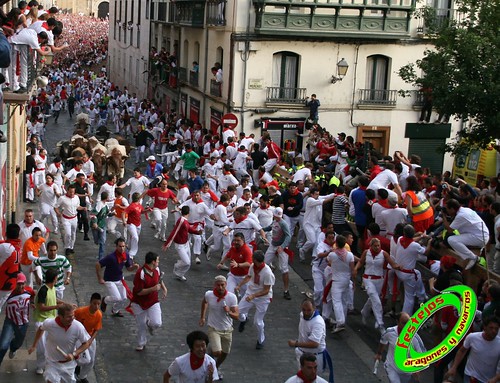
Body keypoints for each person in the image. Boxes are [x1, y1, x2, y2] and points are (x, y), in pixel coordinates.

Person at [28, 303, 91, 383]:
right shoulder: (50, 323)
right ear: (60, 316)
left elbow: (86, 343)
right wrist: (34, 345)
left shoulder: (78, 326)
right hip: (52, 363)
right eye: (69, 316)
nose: (72, 318)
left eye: (73, 315)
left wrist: (74, 354)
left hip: (69, 365)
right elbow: (41, 329)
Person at [354, 238, 399, 333]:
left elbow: (392, 264)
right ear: (371, 246)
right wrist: (356, 268)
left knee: (372, 298)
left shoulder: (384, 254)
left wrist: (399, 267)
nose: (377, 247)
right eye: (375, 246)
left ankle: (364, 312)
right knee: (376, 300)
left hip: (379, 280)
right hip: (367, 278)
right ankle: (380, 323)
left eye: (378, 245)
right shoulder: (366, 252)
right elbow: (361, 262)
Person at [235, 250, 275, 350]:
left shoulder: (267, 273)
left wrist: (254, 296)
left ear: (257, 260)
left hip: (263, 298)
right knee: (238, 312)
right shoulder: (253, 266)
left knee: (258, 322)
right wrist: (240, 285)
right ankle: (244, 319)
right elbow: (249, 277)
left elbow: (266, 290)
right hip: (250, 292)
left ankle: (260, 340)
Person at [199, 275, 239, 377]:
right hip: (214, 328)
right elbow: (204, 302)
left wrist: (229, 312)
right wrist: (203, 317)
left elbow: (237, 316)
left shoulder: (231, 297)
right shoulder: (209, 295)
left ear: (226, 285)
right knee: (217, 352)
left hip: (227, 330)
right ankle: (210, 357)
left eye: (222, 285)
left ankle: (215, 368)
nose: (220, 287)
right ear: (214, 285)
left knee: (225, 353)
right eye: (218, 285)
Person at [287, 299, 333, 383]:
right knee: (302, 378)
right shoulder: (302, 315)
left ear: (314, 309)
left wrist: (296, 344)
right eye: (304, 310)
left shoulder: (318, 323)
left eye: (309, 310)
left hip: (315, 356)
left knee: (312, 379)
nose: (306, 313)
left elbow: (314, 344)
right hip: (302, 353)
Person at [445, 316, 500, 383]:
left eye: (496, 329)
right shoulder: (472, 337)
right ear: (485, 327)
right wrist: (454, 367)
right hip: (471, 376)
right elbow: (462, 351)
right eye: (491, 328)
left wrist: (496, 378)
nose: (494, 331)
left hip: (488, 380)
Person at [131, 252, 167, 351]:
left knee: (157, 323)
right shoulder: (140, 273)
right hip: (139, 302)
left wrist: (164, 288)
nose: (158, 262)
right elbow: (139, 292)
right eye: (158, 260)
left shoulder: (157, 269)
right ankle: (141, 343)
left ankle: (150, 324)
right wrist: (153, 289)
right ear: (153, 262)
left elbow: (160, 279)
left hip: (153, 301)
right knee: (141, 324)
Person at [375, 312, 426, 383]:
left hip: (407, 373)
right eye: (404, 323)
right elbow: (383, 341)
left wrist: (418, 369)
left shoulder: (415, 338)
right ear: (397, 322)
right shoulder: (390, 332)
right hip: (391, 367)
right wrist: (379, 353)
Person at [31, 268, 64, 376]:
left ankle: (49, 364)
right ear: (55, 278)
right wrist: (56, 306)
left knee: (50, 345)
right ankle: (40, 367)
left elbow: (54, 299)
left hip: (51, 321)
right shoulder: (43, 290)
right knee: (42, 348)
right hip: (41, 322)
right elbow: (41, 307)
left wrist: (65, 303)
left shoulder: (52, 288)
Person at [444, 198, 490, 270]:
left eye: (447, 209)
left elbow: (449, 230)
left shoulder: (460, 215)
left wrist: (443, 216)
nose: (446, 211)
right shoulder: (466, 209)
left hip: (479, 237)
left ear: (452, 209)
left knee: (451, 239)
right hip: (482, 235)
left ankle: (473, 257)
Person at [96, 238, 139, 317]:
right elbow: (98, 264)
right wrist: (100, 278)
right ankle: (105, 300)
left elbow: (129, 268)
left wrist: (134, 267)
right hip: (109, 280)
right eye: (120, 246)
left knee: (124, 298)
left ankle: (115, 310)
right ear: (116, 247)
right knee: (117, 298)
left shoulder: (126, 255)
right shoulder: (111, 257)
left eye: (123, 246)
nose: (122, 248)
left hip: (119, 279)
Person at [394, 225, 430, 315]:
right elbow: (426, 252)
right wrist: (430, 242)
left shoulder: (399, 239)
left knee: (417, 274)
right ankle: (405, 317)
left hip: (399, 271)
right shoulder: (415, 245)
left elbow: (410, 241)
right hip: (407, 274)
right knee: (409, 297)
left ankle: (422, 295)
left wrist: (421, 236)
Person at [0, 273, 35, 366]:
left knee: (18, 342)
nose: (21, 286)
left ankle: (13, 348)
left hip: (24, 322)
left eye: (22, 283)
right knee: (3, 346)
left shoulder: (29, 291)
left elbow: (33, 296)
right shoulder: (8, 294)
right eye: (18, 284)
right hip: (10, 321)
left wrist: (32, 302)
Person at [163, 206, 203, 281]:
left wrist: (197, 232)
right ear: (189, 213)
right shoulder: (181, 221)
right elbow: (174, 232)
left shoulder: (185, 221)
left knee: (188, 263)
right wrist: (167, 244)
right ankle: (177, 266)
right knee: (187, 262)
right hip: (180, 245)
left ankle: (180, 274)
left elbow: (189, 229)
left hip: (186, 243)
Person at [327, 235, 355, 333]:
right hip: (346, 280)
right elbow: (352, 269)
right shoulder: (350, 255)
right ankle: (343, 320)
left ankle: (340, 321)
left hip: (336, 280)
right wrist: (354, 281)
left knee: (336, 301)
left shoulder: (332, 255)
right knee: (344, 300)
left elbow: (328, 262)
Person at [263, 207, 292, 300]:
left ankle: (286, 290)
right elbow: (269, 228)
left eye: (279, 216)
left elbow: (288, 236)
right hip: (273, 245)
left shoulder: (283, 223)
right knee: (264, 264)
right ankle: (264, 285)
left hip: (281, 247)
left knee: (284, 269)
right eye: (276, 216)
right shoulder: (274, 221)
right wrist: (260, 229)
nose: (277, 218)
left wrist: (282, 246)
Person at [300, 187, 335, 263]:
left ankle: (314, 258)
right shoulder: (310, 200)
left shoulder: (318, 198)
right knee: (312, 241)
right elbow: (323, 201)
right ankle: (302, 250)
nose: (317, 196)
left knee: (317, 242)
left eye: (318, 194)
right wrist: (330, 199)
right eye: (316, 194)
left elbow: (327, 196)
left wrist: (336, 195)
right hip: (308, 224)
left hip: (317, 225)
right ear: (311, 194)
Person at [74, 293, 103, 383]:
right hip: (79, 337)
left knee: (91, 360)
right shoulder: (80, 311)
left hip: (89, 337)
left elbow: (96, 329)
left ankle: (82, 376)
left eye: (98, 304)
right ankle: (76, 370)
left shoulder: (99, 314)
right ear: (90, 302)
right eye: (94, 303)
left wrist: (90, 340)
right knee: (80, 358)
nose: (96, 306)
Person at [54, 184, 86, 256]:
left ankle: (71, 247)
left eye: (73, 192)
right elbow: (56, 207)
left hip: (74, 218)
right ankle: (67, 247)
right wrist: (59, 214)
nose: (72, 193)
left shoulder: (76, 198)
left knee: (73, 233)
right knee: (68, 234)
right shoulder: (62, 198)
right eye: (70, 192)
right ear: (67, 191)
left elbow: (78, 207)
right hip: (65, 219)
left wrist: (83, 208)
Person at [0, 224, 22, 313]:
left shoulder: (6, 247)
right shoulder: (18, 247)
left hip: (2, 282)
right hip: (10, 283)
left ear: (6, 234)